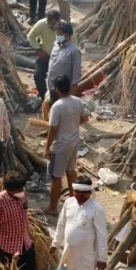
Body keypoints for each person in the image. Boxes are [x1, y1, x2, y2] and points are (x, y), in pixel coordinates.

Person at [52, 177, 107, 270]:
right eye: (77, 192)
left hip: (87, 253)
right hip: (69, 251)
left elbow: (101, 235)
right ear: (73, 191)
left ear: (89, 193)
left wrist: (102, 258)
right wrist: (55, 243)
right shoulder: (69, 203)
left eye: (84, 194)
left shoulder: (96, 209)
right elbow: (61, 224)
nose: (80, 196)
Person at [44, 75, 89, 214]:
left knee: (56, 177)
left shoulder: (57, 106)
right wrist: (73, 126)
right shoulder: (77, 101)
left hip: (61, 146)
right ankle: (75, 203)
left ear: (57, 89)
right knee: (71, 172)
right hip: (74, 142)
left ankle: (52, 208)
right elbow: (85, 118)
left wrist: (47, 148)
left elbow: (53, 129)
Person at [28, 10, 65, 101]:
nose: (51, 26)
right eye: (49, 23)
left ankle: (58, 99)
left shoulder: (65, 26)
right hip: (45, 57)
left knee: (60, 80)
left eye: (53, 23)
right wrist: (39, 50)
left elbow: (74, 43)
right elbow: (30, 37)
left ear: (58, 20)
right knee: (38, 76)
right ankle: (44, 98)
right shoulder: (41, 24)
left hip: (60, 59)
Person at [46, 22, 81, 103]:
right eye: (57, 34)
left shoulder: (74, 51)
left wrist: (69, 96)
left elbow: (76, 77)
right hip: (52, 88)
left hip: (64, 92)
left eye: (60, 34)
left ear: (68, 35)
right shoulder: (55, 46)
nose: (58, 36)